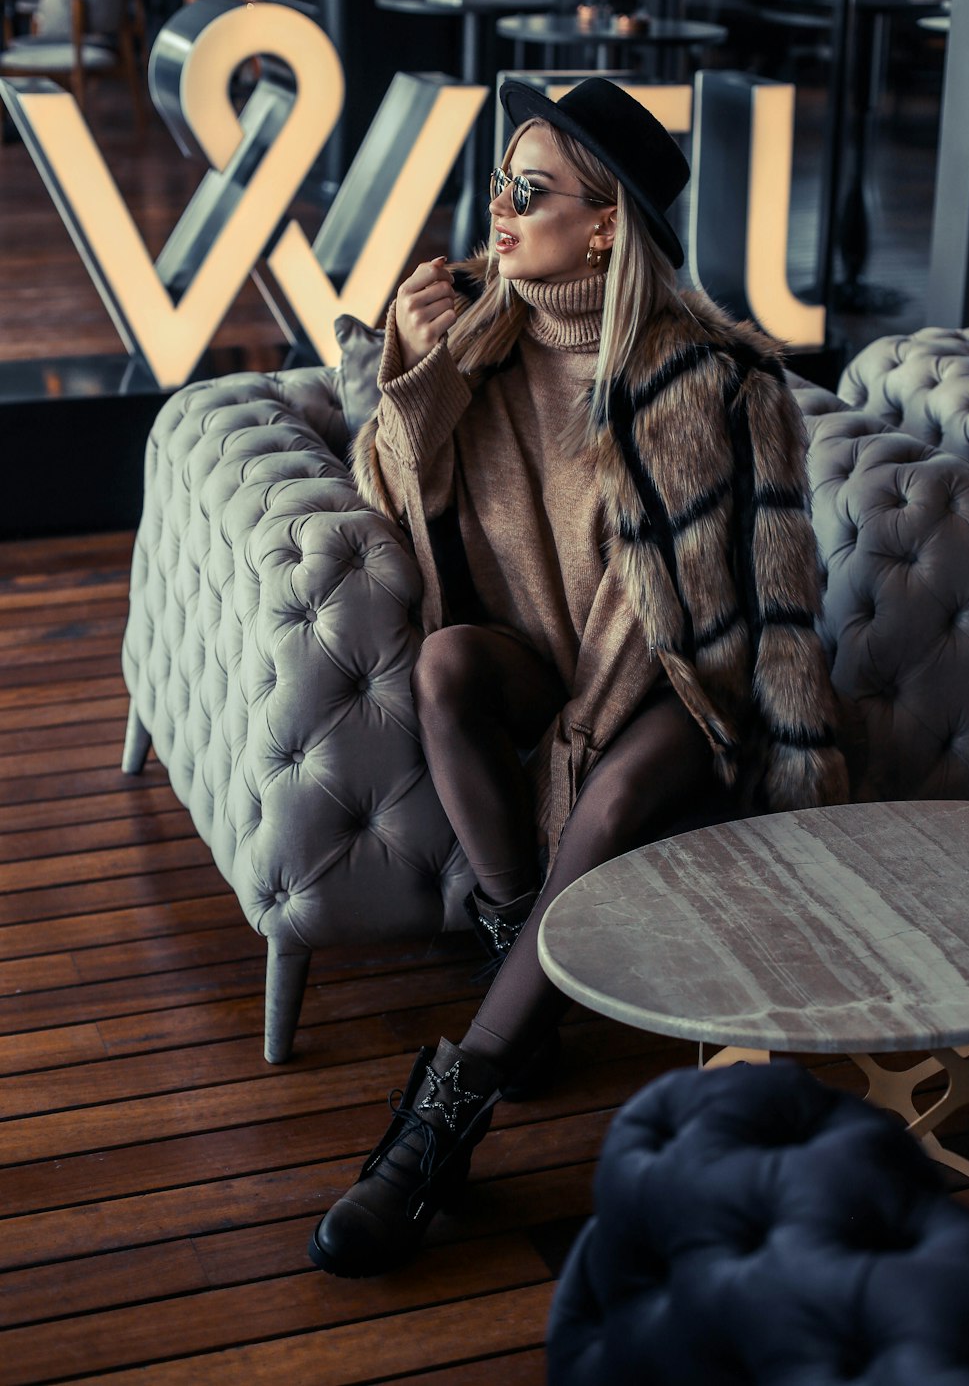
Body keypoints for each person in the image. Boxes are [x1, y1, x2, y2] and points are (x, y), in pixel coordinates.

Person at [308, 77, 848, 1279]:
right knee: (447, 666)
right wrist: (414, 355)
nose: (498, 211)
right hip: (547, 673)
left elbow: (779, 601)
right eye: (499, 185)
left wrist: (808, 800)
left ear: (604, 223)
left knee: (607, 798)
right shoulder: (484, 346)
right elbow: (392, 500)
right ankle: (523, 957)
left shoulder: (719, 377)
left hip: (675, 694)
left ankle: (436, 1136)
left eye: (530, 191)